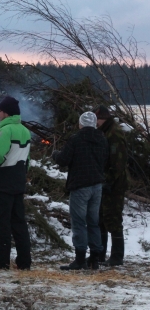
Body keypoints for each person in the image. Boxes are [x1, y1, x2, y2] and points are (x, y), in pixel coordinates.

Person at [0, 96, 32, 270]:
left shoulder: (5, 131)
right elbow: (28, 159)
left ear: (6, 112)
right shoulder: (25, 131)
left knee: (1, 223)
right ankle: (24, 262)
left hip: (2, 182)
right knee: (19, 223)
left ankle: (0, 262)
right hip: (18, 181)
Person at [53, 111, 108, 270]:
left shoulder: (76, 139)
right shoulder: (102, 139)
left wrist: (55, 154)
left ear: (81, 124)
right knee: (93, 222)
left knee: (79, 223)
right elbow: (105, 160)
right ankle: (95, 259)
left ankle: (80, 259)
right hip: (97, 186)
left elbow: (64, 160)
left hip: (80, 186)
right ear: (95, 123)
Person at [93, 105, 128, 266]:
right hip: (104, 181)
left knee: (113, 218)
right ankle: (100, 253)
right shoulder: (105, 132)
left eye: (97, 120)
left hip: (115, 184)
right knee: (100, 217)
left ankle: (117, 256)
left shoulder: (113, 134)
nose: (95, 123)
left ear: (103, 119)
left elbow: (118, 163)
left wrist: (109, 181)